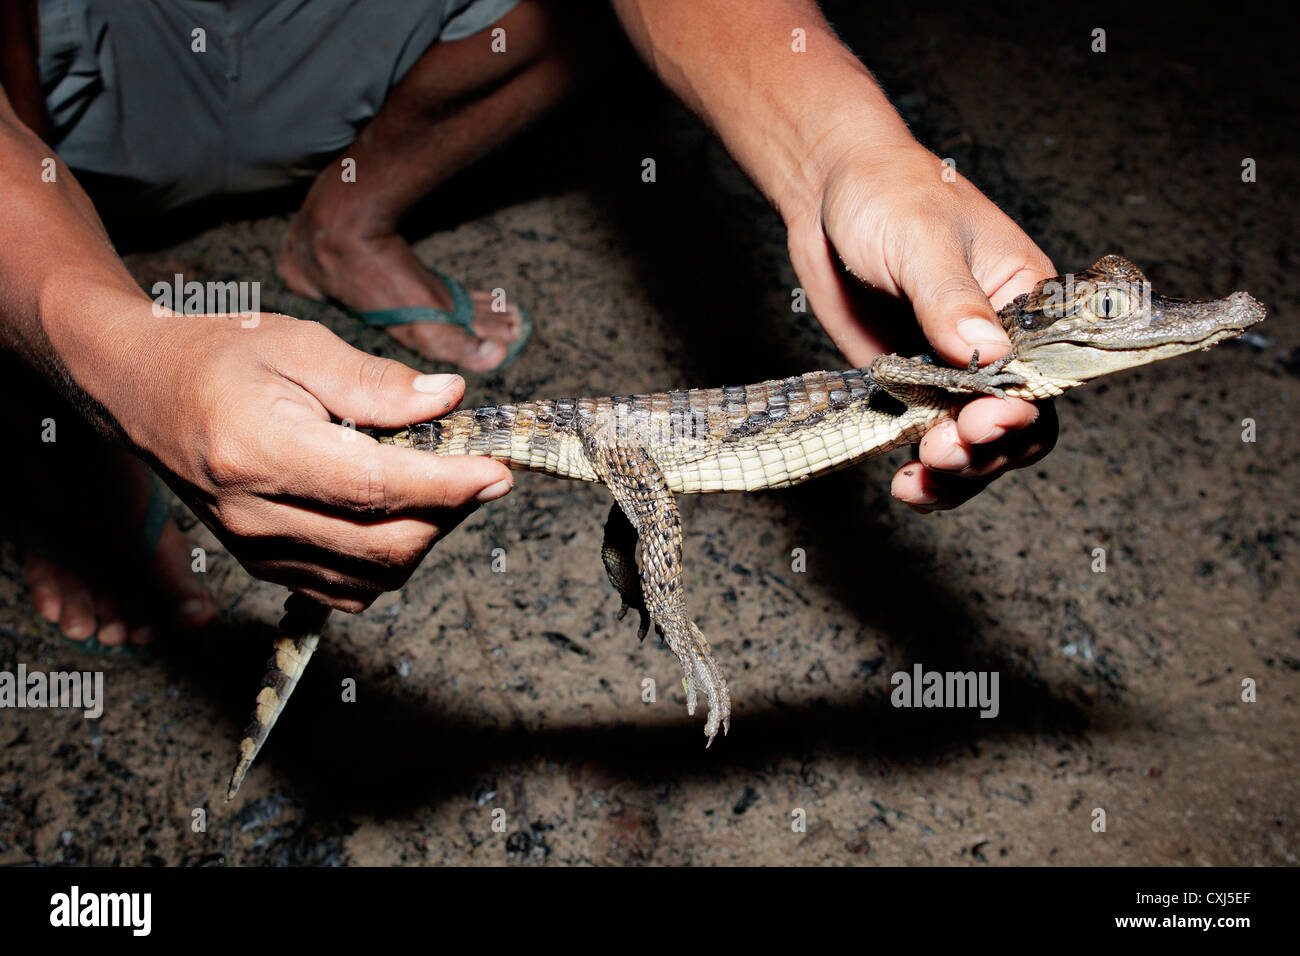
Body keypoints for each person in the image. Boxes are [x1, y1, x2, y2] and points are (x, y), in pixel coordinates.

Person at [0, 0, 1056, 649]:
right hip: (67, 71)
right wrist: (105, 351)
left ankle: (345, 222)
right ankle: (81, 421)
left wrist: (848, 152)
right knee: (84, 358)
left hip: (320, 36)